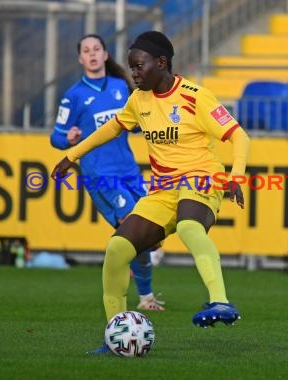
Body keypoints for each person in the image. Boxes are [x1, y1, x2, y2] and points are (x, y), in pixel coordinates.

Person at [51, 31, 250, 353]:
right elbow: (112, 128)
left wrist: (236, 177)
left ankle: (220, 302)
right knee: (117, 249)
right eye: (131, 67)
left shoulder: (195, 96)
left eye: (139, 66)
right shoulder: (138, 100)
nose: (134, 73)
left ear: (161, 63)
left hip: (202, 180)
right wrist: (71, 155)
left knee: (188, 226)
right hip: (162, 191)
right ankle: (113, 335)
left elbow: (240, 137)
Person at [50, 34, 165, 312]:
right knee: (135, 228)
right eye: (86, 50)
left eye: (96, 49)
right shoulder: (73, 96)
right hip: (100, 175)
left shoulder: (120, 87)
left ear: (105, 55)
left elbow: (135, 123)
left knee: (151, 235)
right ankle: (139, 294)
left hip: (129, 170)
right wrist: (69, 138)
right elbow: (56, 137)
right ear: (81, 58)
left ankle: (146, 295)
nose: (91, 54)